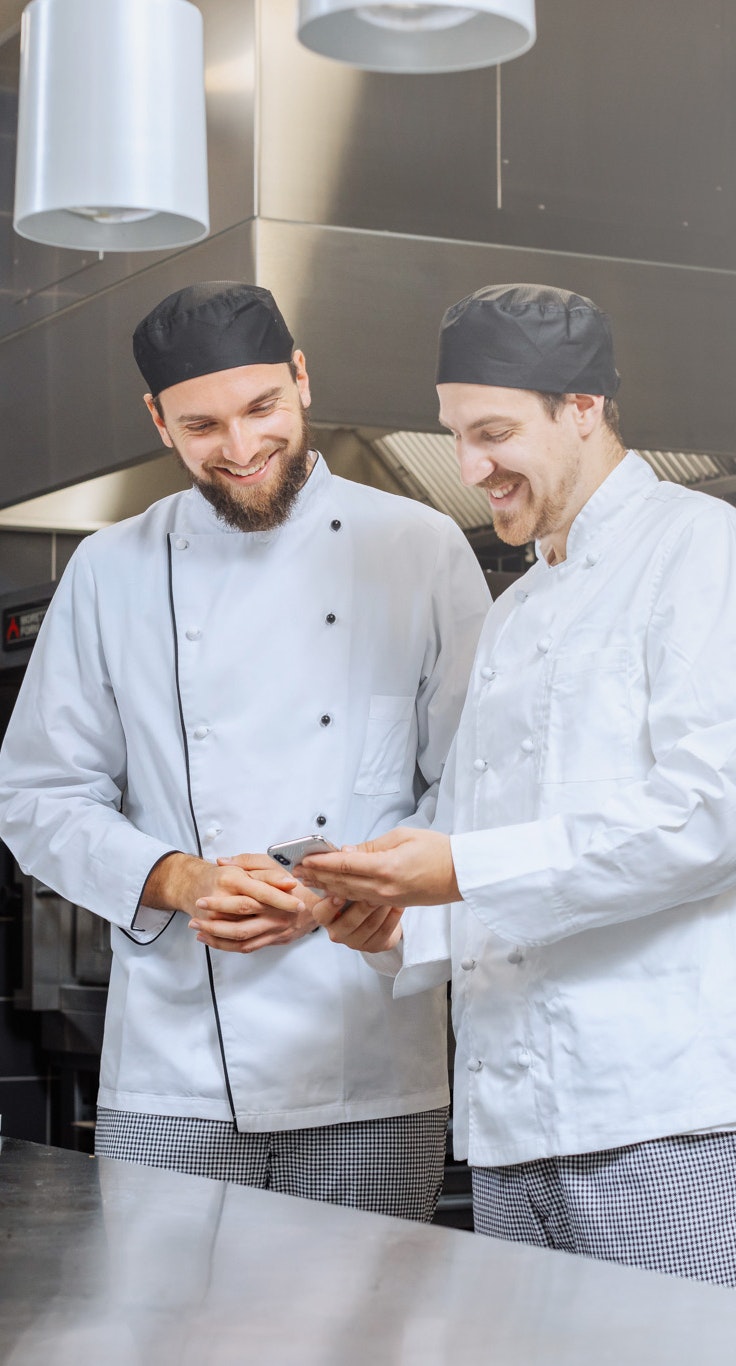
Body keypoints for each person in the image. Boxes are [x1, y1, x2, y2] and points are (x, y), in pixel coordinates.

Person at [0, 281, 490, 1218]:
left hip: (370, 1064)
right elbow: (34, 796)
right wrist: (177, 878)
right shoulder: (110, 572)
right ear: (158, 420)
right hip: (173, 1076)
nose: (240, 448)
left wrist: (348, 888)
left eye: (262, 407)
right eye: (201, 425)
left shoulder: (419, 548)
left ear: (302, 378)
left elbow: (476, 787)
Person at [302, 282, 736, 1285]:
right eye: (454, 435)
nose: (469, 468)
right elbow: (482, 851)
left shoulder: (700, 552)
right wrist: (399, 919)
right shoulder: (513, 611)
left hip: (656, 1114)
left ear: (582, 408)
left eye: (492, 431)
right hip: (506, 1124)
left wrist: (455, 867)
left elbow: (708, 811)